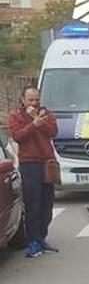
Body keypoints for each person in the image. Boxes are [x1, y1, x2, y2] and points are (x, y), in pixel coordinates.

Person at [7, 86, 59, 258]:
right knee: (33, 204)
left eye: (36, 99)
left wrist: (40, 120)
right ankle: (33, 241)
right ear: (23, 100)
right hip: (29, 164)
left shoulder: (46, 114)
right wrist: (32, 124)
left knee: (47, 204)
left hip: (47, 163)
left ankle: (42, 237)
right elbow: (17, 136)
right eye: (30, 100)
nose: (34, 103)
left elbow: (53, 132)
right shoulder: (16, 116)